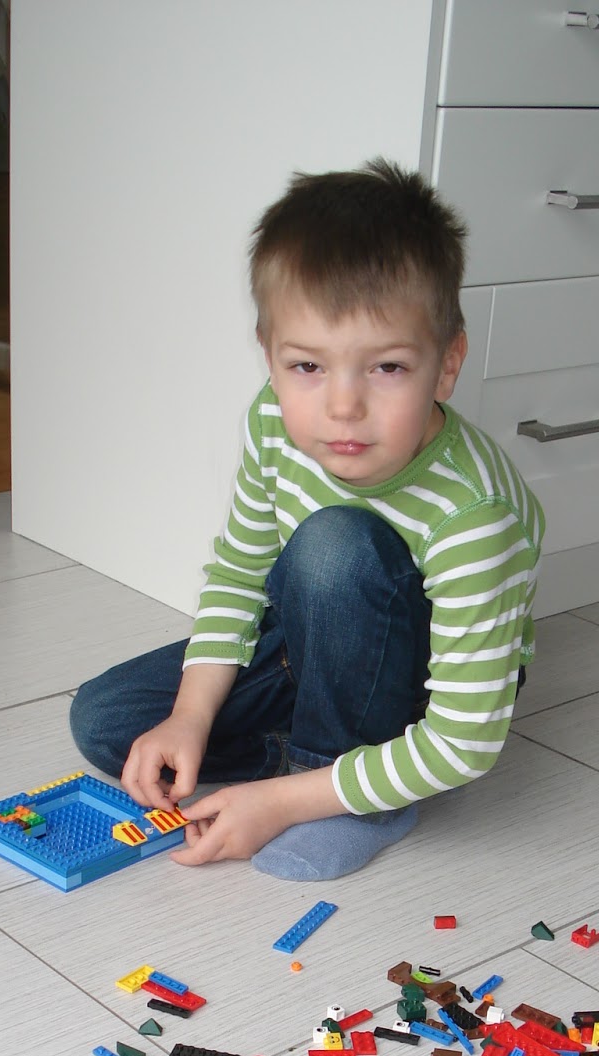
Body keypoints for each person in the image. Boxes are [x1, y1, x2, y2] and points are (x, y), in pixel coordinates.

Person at [70, 158, 544, 881]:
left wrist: (283, 804)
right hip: (315, 631)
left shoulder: (474, 518)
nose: (342, 407)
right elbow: (240, 574)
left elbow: (464, 743)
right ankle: (315, 763)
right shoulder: (272, 422)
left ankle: (344, 796)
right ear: (270, 358)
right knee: (107, 722)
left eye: (387, 368)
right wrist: (190, 716)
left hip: (425, 682)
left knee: (334, 544)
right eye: (307, 368)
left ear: (447, 365)